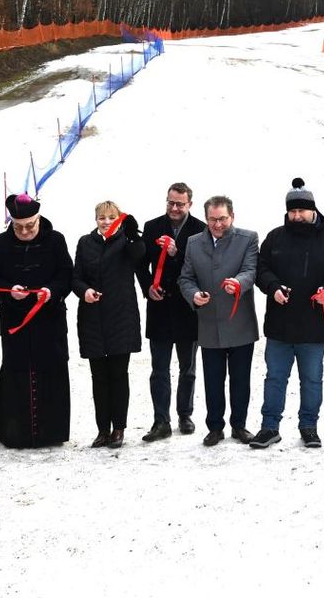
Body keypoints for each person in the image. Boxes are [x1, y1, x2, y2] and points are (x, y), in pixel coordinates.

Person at [251, 178, 324, 449]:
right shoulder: (275, 237)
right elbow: (261, 270)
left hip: (314, 325)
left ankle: (309, 426)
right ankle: (269, 427)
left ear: (313, 210)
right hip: (280, 324)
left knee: (311, 379)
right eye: (292, 211)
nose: (296, 216)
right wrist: (272, 287)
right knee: (275, 377)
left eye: (301, 211)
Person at [0, 193, 74, 449]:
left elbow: (66, 274)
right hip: (15, 319)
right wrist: (9, 290)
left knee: (51, 370)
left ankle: (51, 432)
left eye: (30, 225)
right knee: (16, 371)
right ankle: (16, 432)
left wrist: (51, 292)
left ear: (38, 219)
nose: (24, 230)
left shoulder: (56, 240)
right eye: (18, 226)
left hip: (49, 319)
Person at [178, 196, 260, 446]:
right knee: (213, 380)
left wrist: (239, 283)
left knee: (240, 379)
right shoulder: (193, 243)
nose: (217, 224)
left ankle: (240, 425)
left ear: (232, 217)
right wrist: (193, 295)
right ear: (206, 218)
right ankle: (215, 427)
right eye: (212, 219)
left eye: (222, 219)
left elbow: (251, 270)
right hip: (209, 323)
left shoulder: (248, 238)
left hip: (240, 322)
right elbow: (186, 278)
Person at [136, 183, 206, 441]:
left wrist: (177, 254)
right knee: (159, 369)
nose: (174, 208)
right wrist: (147, 288)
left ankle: (185, 414)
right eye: (170, 203)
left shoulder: (200, 229)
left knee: (188, 367)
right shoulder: (153, 226)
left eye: (180, 204)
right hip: (160, 306)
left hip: (188, 308)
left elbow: (200, 267)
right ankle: (160, 420)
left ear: (190, 204)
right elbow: (141, 265)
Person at [74, 201, 146, 449]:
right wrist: (85, 291)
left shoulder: (125, 242)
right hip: (92, 317)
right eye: (102, 218)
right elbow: (76, 277)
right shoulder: (85, 243)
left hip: (120, 317)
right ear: (95, 219)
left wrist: (133, 234)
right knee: (99, 377)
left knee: (118, 375)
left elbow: (139, 256)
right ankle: (102, 429)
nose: (106, 222)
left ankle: (119, 428)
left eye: (111, 218)